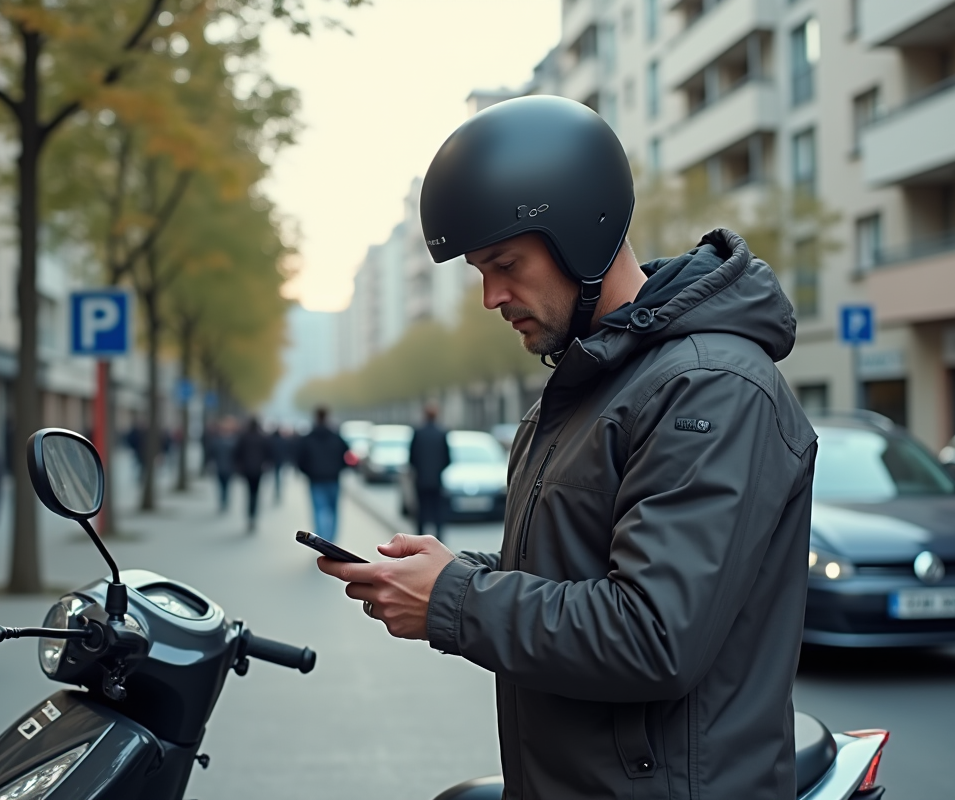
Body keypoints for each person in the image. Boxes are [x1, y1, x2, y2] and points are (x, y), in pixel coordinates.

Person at [316, 96, 817, 800]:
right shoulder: (588, 386)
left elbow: (653, 634)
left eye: (506, 263)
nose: (492, 296)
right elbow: (578, 571)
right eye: (480, 272)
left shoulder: (710, 387)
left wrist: (454, 599)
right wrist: (450, 571)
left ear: (583, 232)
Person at [296, 406, 349, 542]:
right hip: (333, 479)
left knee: (319, 510)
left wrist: (309, 472)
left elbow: (300, 459)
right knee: (333, 510)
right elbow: (347, 455)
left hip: (315, 480)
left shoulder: (308, 438)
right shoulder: (336, 437)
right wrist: (338, 469)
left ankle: (320, 539)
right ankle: (331, 539)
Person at [409, 403, 452, 541]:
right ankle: (439, 538)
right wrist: (438, 470)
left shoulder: (418, 433)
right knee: (438, 510)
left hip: (421, 479)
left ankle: (420, 539)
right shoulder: (442, 433)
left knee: (421, 511)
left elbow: (411, 457)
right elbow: (448, 458)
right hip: (436, 480)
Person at [235, 417, 270, 532]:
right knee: (256, 493)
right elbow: (268, 453)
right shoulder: (263, 437)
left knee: (249, 492)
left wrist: (239, 466)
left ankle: (250, 515)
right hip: (258, 469)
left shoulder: (244, 437)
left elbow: (237, 453)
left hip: (247, 469)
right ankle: (253, 515)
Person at [210, 417, 238, 513]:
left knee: (225, 486)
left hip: (226, 467)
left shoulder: (231, 440)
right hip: (223, 466)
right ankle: (224, 502)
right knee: (223, 486)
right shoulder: (231, 441)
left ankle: (224, 502)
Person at [267, 425, 289, 504]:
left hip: (273, 460)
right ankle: (277, 489)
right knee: (277, 475)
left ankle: (275, 489)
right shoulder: (282, 440)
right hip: (280, 460)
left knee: (275, 475)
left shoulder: (271, 440)